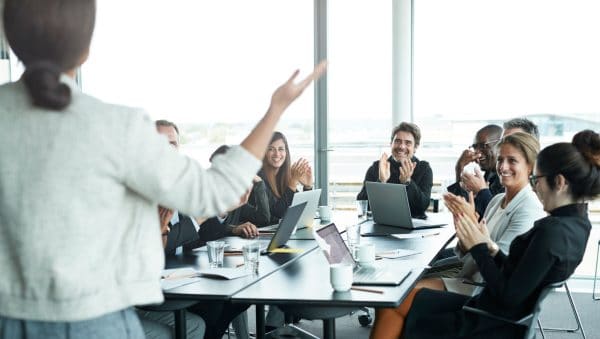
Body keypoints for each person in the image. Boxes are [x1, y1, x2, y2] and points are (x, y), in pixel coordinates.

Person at [0, 1, 327, 337]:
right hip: (95, 319)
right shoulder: (116, 126)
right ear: (85, 50)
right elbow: (216, 192)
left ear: (10, 40)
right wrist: (276, 108)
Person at [370, 129, 599, 339]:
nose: (535, 187)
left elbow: (507, 294)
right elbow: (517, 273)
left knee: (394, 304)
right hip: (496, 311)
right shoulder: (577, 225)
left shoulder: (552, 231)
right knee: (399, 299)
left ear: (559, 182)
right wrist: (487, 245)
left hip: (490, 321)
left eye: (536, 180)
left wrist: (479, 246)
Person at [438, 132, 545, 294]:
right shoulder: (497, 200)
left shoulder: (529, 209)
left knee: (409, 292)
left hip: (483, 289)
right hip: (470, 276)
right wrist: (465, 232)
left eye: (512, 161)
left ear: (530, 166)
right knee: (411, 282)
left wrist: (473, 233)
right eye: (500, 160)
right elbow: (469, 252)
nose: (503, 167)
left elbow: (499, 266)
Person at [357, 122, 432, 218]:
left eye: (408, 143)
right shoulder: (377, 167)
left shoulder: (424, 168)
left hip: (413, 227)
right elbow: (362, 203)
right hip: (382, 224)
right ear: (391, 144)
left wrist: (408, 183)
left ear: (415, 147)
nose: (401, 146)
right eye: (397, 141)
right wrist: (380, 182)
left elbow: (421, 207)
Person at [447, 124, 504, 218]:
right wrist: (459, 168)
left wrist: (482, 191)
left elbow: (497, 218)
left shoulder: (507, 178)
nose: (477, 152)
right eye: (475, 147)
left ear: (500, 145)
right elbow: (464, 214)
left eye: (483, 146)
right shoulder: (488, 176)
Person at [258, 131, 313, 224]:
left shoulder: (284, 177)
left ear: (286, 152)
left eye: (281, 149)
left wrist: (308, 187)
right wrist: (293, 183)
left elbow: (303, 212)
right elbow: (277, 214)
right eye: (271, 149)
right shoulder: (259, 178)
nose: (277, 154)